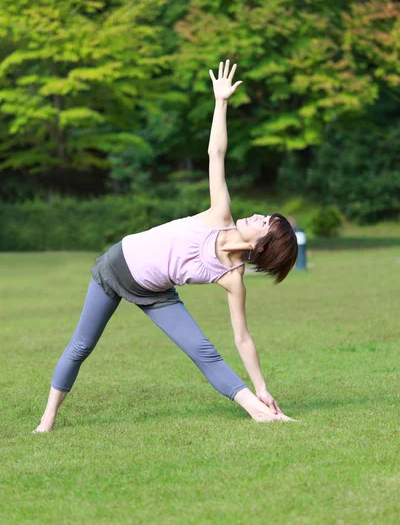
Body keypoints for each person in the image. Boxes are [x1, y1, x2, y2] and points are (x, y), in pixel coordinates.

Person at [33, 59, 298, 433]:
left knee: (203, 350)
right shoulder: (220, 214)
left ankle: (257, 409)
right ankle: (48, 419)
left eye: (263, 223)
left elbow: (242, 337)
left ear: (262, 246)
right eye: (261, 215)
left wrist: (262, 386)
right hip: (116, 267)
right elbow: (216, 154)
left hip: (155, 292)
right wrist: (221, 102)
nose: (255, 216)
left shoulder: (233, 277)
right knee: (81, 346)